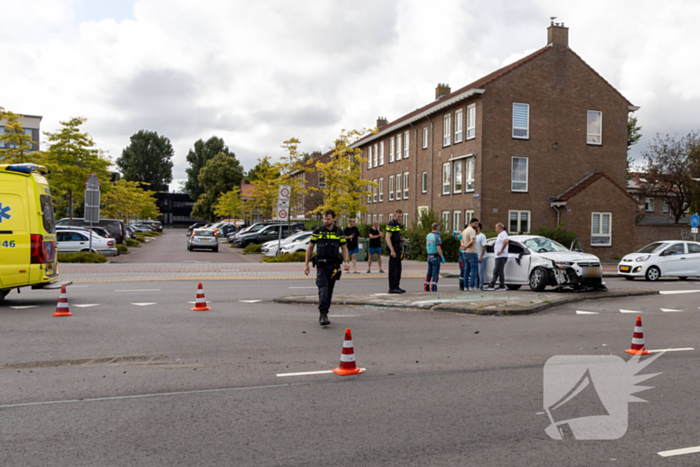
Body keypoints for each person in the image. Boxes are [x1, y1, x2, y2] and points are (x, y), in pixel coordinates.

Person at [304, 209, 350, 325]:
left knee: (329, 290)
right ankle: (323, 313)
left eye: (328, 219)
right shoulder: (318, 231)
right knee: (323, 288)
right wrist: (306, 264)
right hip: (321, 265)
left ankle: (325, 312)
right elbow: (310, 247)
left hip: (334, 265)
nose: (326, 221)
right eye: (324, 219)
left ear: (334, 219)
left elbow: (344, 248)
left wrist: (346, 261)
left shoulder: (338, 232)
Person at [385, 209, 405, 294]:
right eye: (399, 216)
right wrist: (392, 250)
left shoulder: (397, 225)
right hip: (393, 248)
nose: (400, 218)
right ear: (394, 215)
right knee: (393, 269)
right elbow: (387, 237)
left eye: (401, 216)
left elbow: (395, 236)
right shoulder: (391, 224)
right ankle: (392, 287)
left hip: (398, 247)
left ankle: (397, 286)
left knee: (398, 268)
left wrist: (401, 240)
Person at [485, 222, 509, 291]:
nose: (495, 229)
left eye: (496, 228)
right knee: (496, 271)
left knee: (499, 271)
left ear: (499, 228)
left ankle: (502, 286)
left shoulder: (503, 234)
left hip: (501, 256)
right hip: (499, 256)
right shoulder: (501, 234)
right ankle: (491, 285)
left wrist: (501, 250)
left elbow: (506, 241)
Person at [424, 223, 444, 292]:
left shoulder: (428, 235)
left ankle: (426, 286)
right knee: (435, 272)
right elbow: (439, 248)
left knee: (429, 272)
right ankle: (433, 287)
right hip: (435, 256)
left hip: (429, 255)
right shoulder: (437, 237)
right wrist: (442, 257)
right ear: (437, 228)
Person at [460, 218, 479, 291]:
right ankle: (472, 286)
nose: (477, 226)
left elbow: (461, 241)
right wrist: (466, 246)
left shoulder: (464, 231)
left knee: (466, 270)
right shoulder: (472, 231)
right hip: (472, 252)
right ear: (471, 223)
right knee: (473, 270)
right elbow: (472, 241)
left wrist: (463, 247)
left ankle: (465, 286)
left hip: (465, 253)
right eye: (476, 224)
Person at [476, 223, 488, 291]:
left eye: (477, 227)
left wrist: (481, 256)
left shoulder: (482, 236)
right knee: (475, 273)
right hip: (475, 257)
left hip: (481, 257)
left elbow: (484, 246)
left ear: (479, 228)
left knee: (480, 273)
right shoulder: (473, 236)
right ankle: (476, 286)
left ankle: (480, 287)